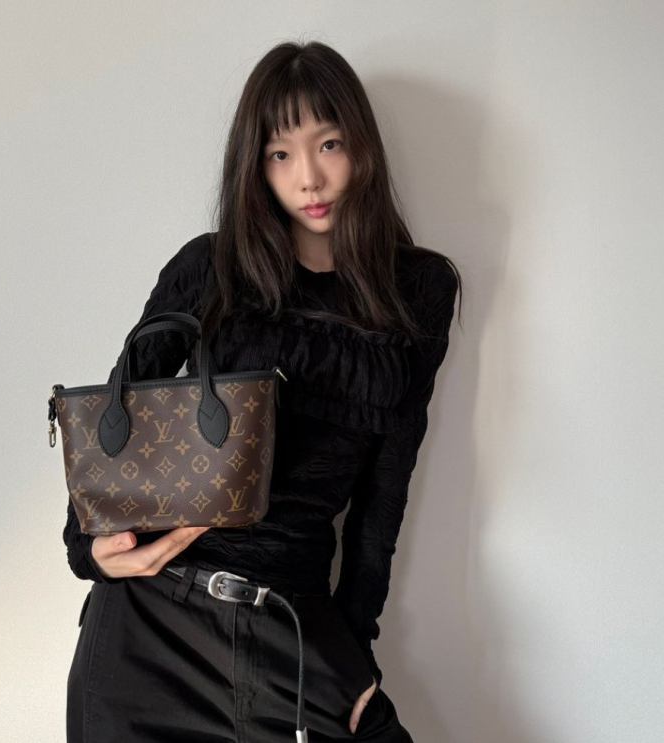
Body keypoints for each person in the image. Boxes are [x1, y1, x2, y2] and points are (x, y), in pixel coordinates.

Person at [63, 40, 462, 743]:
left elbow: (384, 491)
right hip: (150, 633)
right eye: (280, 153)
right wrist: (86, 550)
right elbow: (113, 430)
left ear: (362, 146)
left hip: (291, 631)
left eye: (328, 144)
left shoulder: (419, 289)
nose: (309, 177)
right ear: (255, 166)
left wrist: (353, 651)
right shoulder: (208, 269)